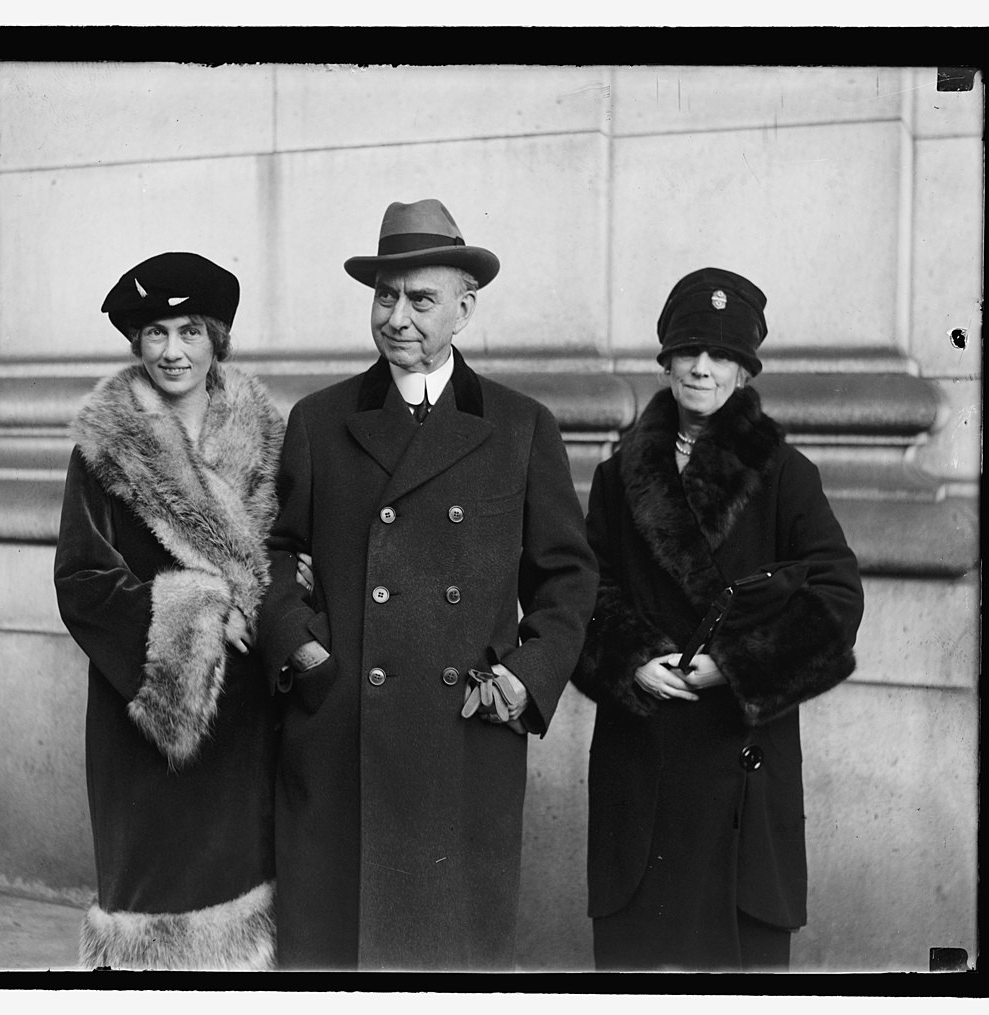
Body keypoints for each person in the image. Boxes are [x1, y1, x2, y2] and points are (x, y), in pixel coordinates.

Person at [256, 199, 599, 971]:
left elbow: (569, 578)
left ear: (464, 310)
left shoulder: (519, 426)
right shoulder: (318, 419)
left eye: (421, 299)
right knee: (333, 964)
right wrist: (301, 651)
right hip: (342, 730)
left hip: (459, 734)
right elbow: (276, 552)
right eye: (386, 296)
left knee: (449, 964)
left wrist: (525, 676)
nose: (398, 318)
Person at [572, 267, 864, 972]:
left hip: (740, 765)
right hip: (642, 761)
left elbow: (837, 602)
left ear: (743, 370)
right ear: (666, 359)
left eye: (722, 356)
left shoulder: (786, 474)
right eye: (688, 352)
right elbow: (583, 592)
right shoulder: (618, 478)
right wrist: (629, 661)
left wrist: (728, 667)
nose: (702, 368)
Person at [53, 252, 284, 969]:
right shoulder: (104, 446)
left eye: (190, 330)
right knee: (150, 910)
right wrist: (205, 612)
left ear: (217, 339)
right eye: (156, 332)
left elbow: (298, 553)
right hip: (149, 710)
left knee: (244, 904)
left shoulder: (272, 439)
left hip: (249, 719)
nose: (172, 350)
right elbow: (83, 582)